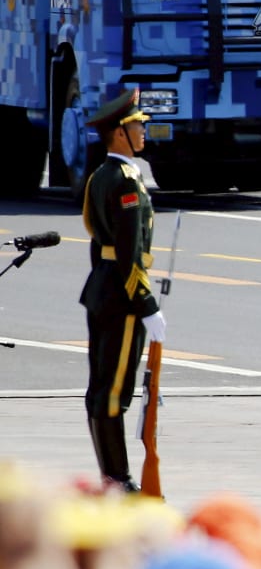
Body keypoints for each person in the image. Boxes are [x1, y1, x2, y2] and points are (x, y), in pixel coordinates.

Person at [78, 89, 162, 492]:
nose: (142, 129)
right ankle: (119, 480)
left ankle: (111, 477)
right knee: (113, 393)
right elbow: (129, 251)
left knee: (101, 388)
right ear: (118, 133)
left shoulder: (102, 176)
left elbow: (98, 240)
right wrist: (145, 302)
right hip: (124, 295)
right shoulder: (126, 180)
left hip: (103, 288)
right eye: (136, 125)